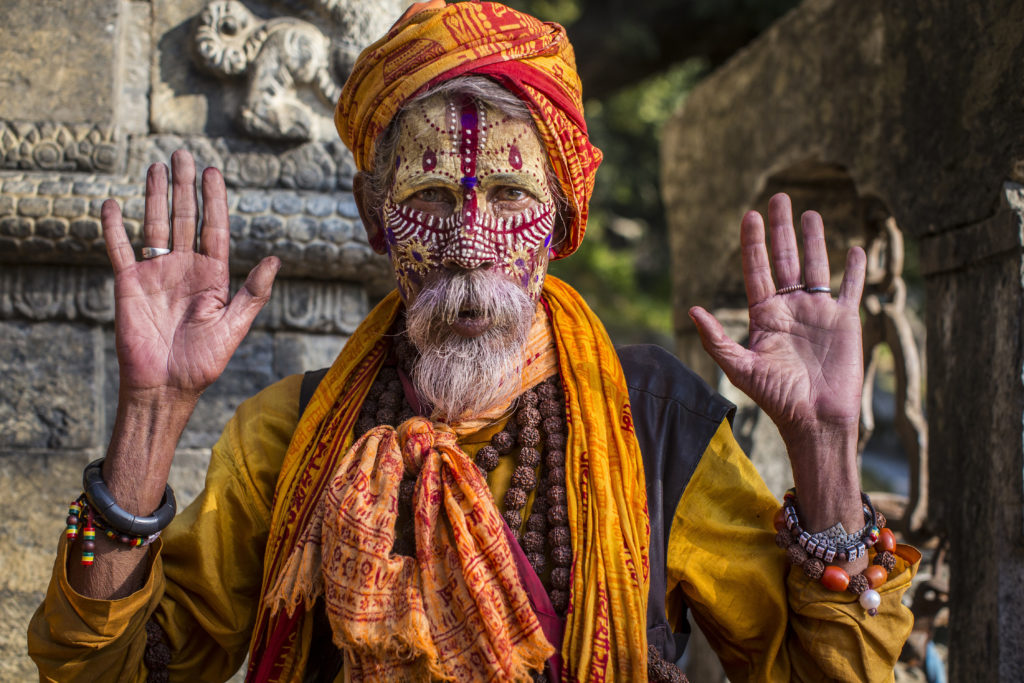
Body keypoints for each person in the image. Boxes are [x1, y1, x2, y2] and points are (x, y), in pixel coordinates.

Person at [29, 1, 919, 681]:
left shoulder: (656, 427)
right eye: (427, 203)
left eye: (505, 196)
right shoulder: (284, 440)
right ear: (373, 220)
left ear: (562, 219)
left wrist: (828, 445)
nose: (471, 245)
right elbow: (104, 669)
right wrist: (148, 415)